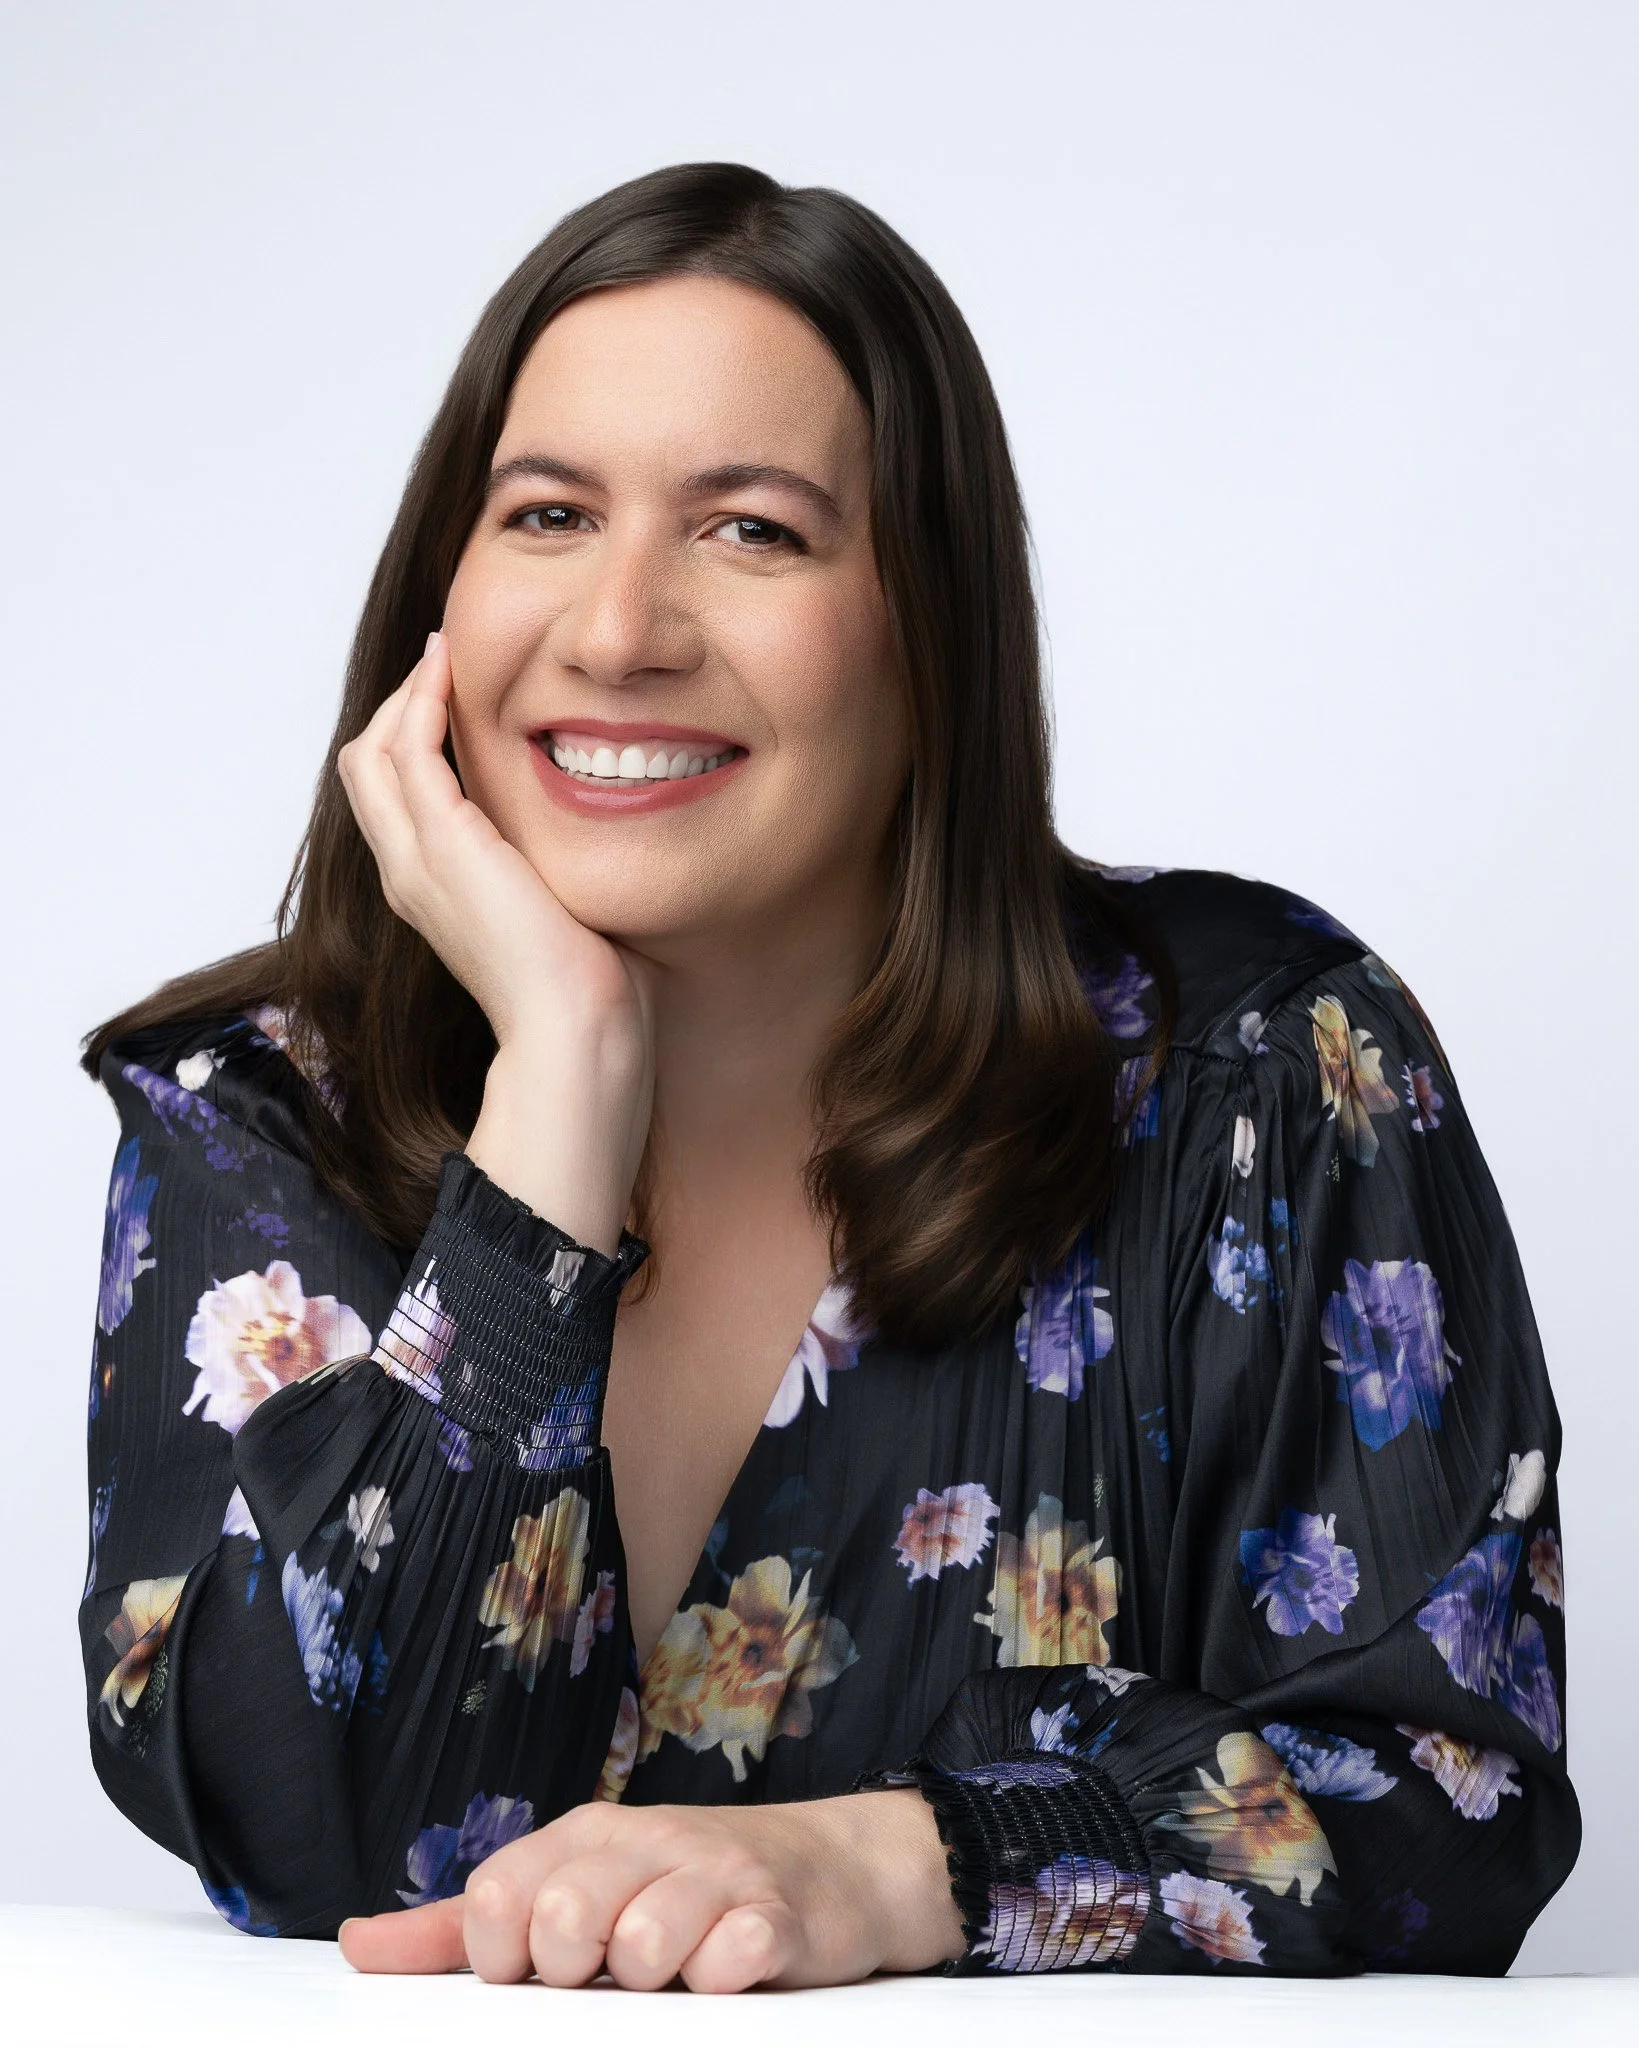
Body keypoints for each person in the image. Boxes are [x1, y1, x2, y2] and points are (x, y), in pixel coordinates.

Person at [78, 163, 1578, 1992]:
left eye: (753, 531)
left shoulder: (1261, 1075)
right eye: (547, 514)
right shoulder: (257, 1112)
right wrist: (559, 1089)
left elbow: (1449, 1808)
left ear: (930, 626)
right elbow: (328, 1853)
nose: (617, 630)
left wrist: (901, 1863)